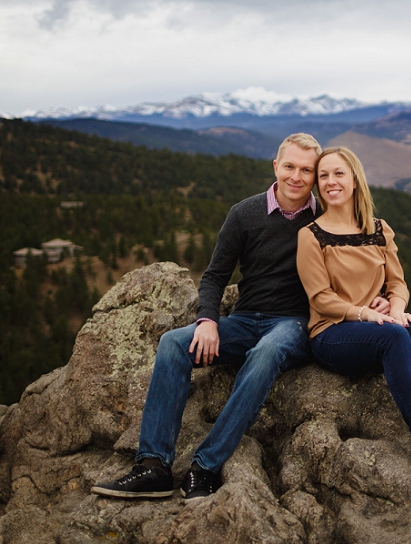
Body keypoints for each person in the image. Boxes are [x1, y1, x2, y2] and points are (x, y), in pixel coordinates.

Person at [91, 134, 389, 500]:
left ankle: (206, 466)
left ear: (315, 177)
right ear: (276, 167)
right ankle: (153, 466)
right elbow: (216, 275)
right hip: (245, 319)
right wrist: (208, 321)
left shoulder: (324, 219)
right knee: (172, 343)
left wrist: (378, 299)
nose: (297, 176)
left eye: (307, 170)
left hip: (294, 323)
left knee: (266, 352)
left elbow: (359, 261)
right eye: (290, 166)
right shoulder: (244, 213)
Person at [296, 146, 411, 490]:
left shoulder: (379, 229)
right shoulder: (310, 235)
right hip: (332, 333)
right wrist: (365, 312)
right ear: (318, 187)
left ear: (354, 180)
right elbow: (320, 298)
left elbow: (397, 283)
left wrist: (396, 309)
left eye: (339, 173)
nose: (330, 181)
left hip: (375, 324)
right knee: (395, 336)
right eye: (323, 176)